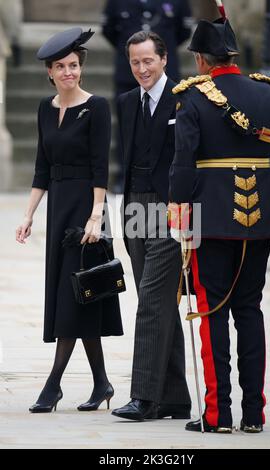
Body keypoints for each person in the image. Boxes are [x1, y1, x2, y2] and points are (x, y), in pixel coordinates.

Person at [169, 18, 270, 433]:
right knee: (249, 310)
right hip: (260, 219)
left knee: (211, 313)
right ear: (234, 57)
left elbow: (183, 164)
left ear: (201, 59)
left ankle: (218, 413)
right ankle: (254, 416)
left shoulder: (192, 97)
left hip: (211, 219)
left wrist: (180, 217)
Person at [16, 27, 123, 413]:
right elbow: (42, 166)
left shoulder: (97, 107)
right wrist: (28, 214)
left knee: (71, 296)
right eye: (60, 67)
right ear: (49, 72)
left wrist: (96, 216)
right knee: (80, 296)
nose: (68, 72)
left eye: (74, 65)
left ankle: (53, 385)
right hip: (59, 207)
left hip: (86, 210)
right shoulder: (46, 108)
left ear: (82, 68)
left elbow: (101, 167)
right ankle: (102, 384)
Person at [111, 31, 191, 422]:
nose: (141, 69)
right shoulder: (126, 102)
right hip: (134, 209)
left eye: (148, 61)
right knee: (160, 303)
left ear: (163, 59)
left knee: (150, 302)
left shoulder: (185, 99)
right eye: (134, 62)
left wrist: (190, 218)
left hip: (171, 212)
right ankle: (174, 397)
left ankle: (143, 398)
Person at [101, 0, 193, 193]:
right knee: (127, 129)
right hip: (128, 77)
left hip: (164, 75)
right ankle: (123, 177)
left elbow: (183, 32)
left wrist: (155, 59)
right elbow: (109, 29)